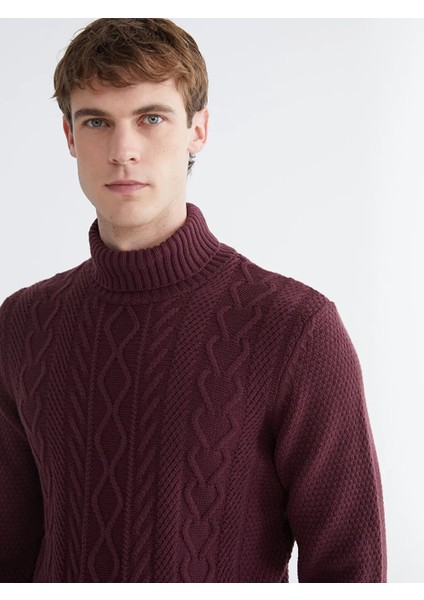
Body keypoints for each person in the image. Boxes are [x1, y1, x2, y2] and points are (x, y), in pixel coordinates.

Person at [0, 18, 386, 583]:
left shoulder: (294, 327)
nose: (123, 151)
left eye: (151, 118)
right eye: (97, 121)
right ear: (69, 136)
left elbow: (350, 570)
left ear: (197, 130)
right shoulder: (22, 325)